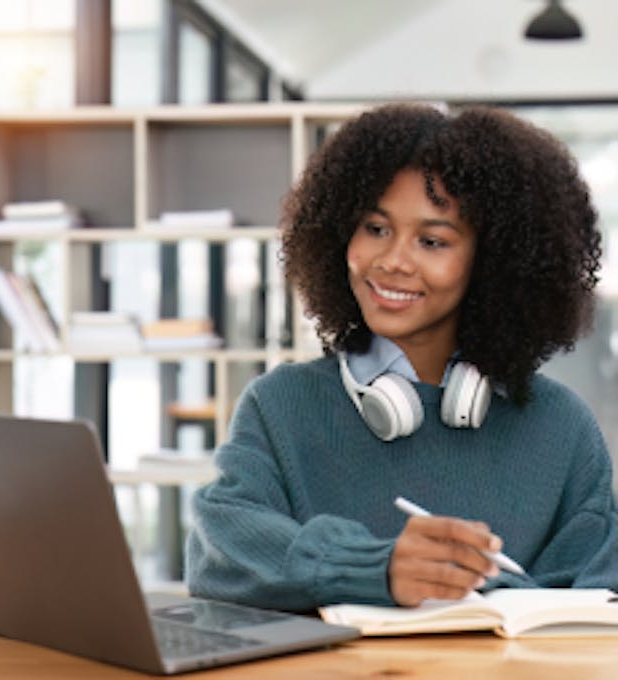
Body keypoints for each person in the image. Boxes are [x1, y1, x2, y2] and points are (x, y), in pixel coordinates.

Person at [186, 102, 618, 611]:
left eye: (432, 241)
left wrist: (456, 586)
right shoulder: (280, 405)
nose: (392, 261)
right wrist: (376, 569)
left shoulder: (560, 428)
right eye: (375, 228)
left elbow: (598, 597)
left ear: (493, 262)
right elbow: (220, 554)